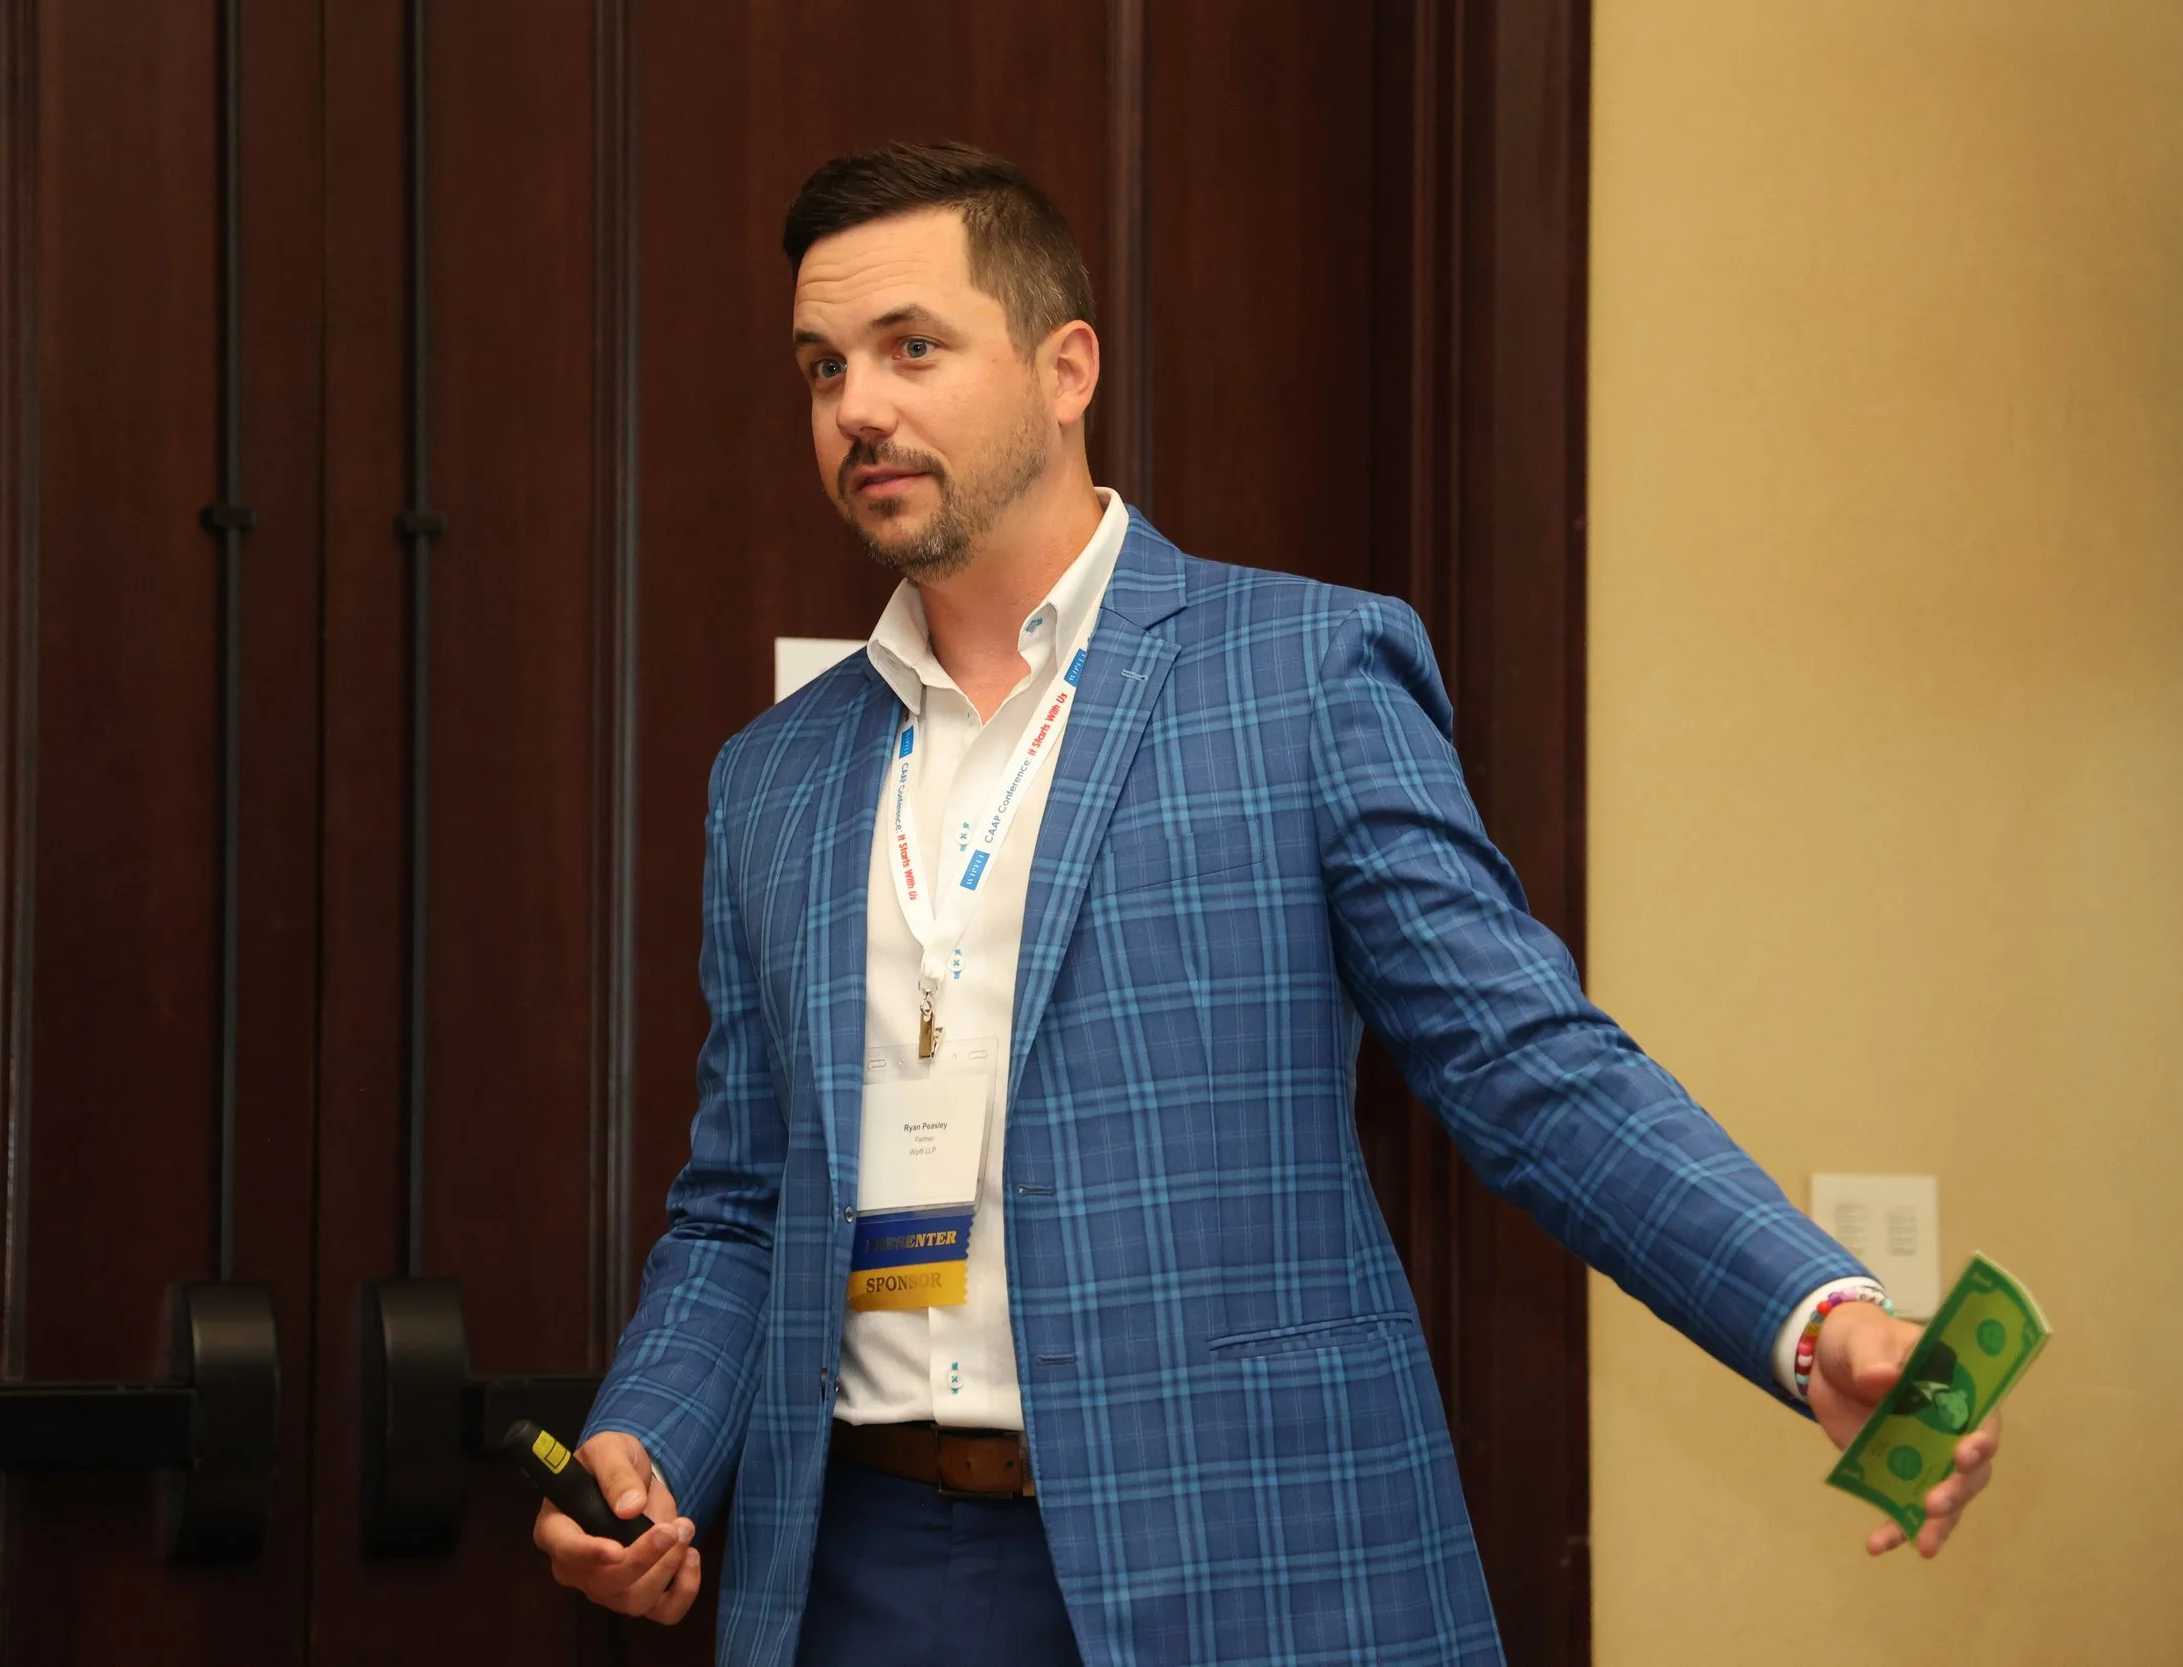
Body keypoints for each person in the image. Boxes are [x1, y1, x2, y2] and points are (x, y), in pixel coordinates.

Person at [530, 142, 2003, 1666]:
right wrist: (647, 1436)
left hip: (1244, 1549)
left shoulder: (1303, 675)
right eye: (823, 367)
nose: (858, 407)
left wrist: (1814, 1317)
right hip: (868, 1569)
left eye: (913, 347)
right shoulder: (771, 778)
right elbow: (742, 1203)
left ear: (1066, 368)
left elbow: (1526, 1060)